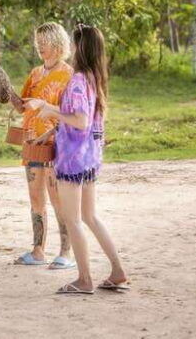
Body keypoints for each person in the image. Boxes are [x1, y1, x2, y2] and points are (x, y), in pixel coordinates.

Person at [25, 24, 129, 294]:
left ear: (80, 47)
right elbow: (79, 119)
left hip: (73, 161)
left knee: (73, 220)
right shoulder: (94, 77)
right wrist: (50, 131)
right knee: (90, 217)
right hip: (89, 158)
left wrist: (49, 110)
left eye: (74, 43)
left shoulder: (79, 80)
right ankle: (117, 271)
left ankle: (84, 280)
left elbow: (80, 121)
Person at [12, 22, 75, 269]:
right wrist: (6, 92)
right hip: (32, 142)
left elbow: (72, 114)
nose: (39, 46)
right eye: (37, 41)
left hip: (57, 143)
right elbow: (22, 104)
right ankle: (38, 251)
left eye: (44, 41)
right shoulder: (35, 73)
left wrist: (43, 105)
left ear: (58, 44)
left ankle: (66, 252)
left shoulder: (69, 75)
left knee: (58, 199)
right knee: (36, 197)